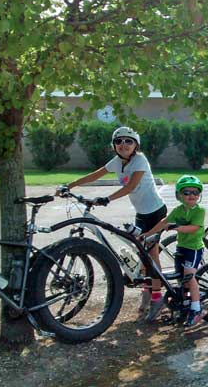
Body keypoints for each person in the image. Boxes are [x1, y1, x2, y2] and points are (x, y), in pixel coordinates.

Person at [56, 126, 168, 321]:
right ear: (114, 146)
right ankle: (147, 291)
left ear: (136, 145)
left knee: (151, 255)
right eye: (119, 141)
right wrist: (70, 185)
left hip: (155, 212)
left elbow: (131, 186)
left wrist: (107, 199)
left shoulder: (140, 160)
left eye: (128, 141)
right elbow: (96, 175)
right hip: (141, 213)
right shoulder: (118, 161)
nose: (123, 144)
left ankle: (158, 299)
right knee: (141, 255)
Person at [140, 175, 206, 327]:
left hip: (194, 248)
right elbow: (164, 222)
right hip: (181, 247)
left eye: (195, 192)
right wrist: (148, 233)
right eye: (187, 192)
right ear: (179, 195)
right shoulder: (177, 210)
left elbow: (194, 228)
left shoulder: (200, 211)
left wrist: (177, 227)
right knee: (181, 278)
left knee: (189, 277)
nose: (192, 195)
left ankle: (197, 309)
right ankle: (186, 304)